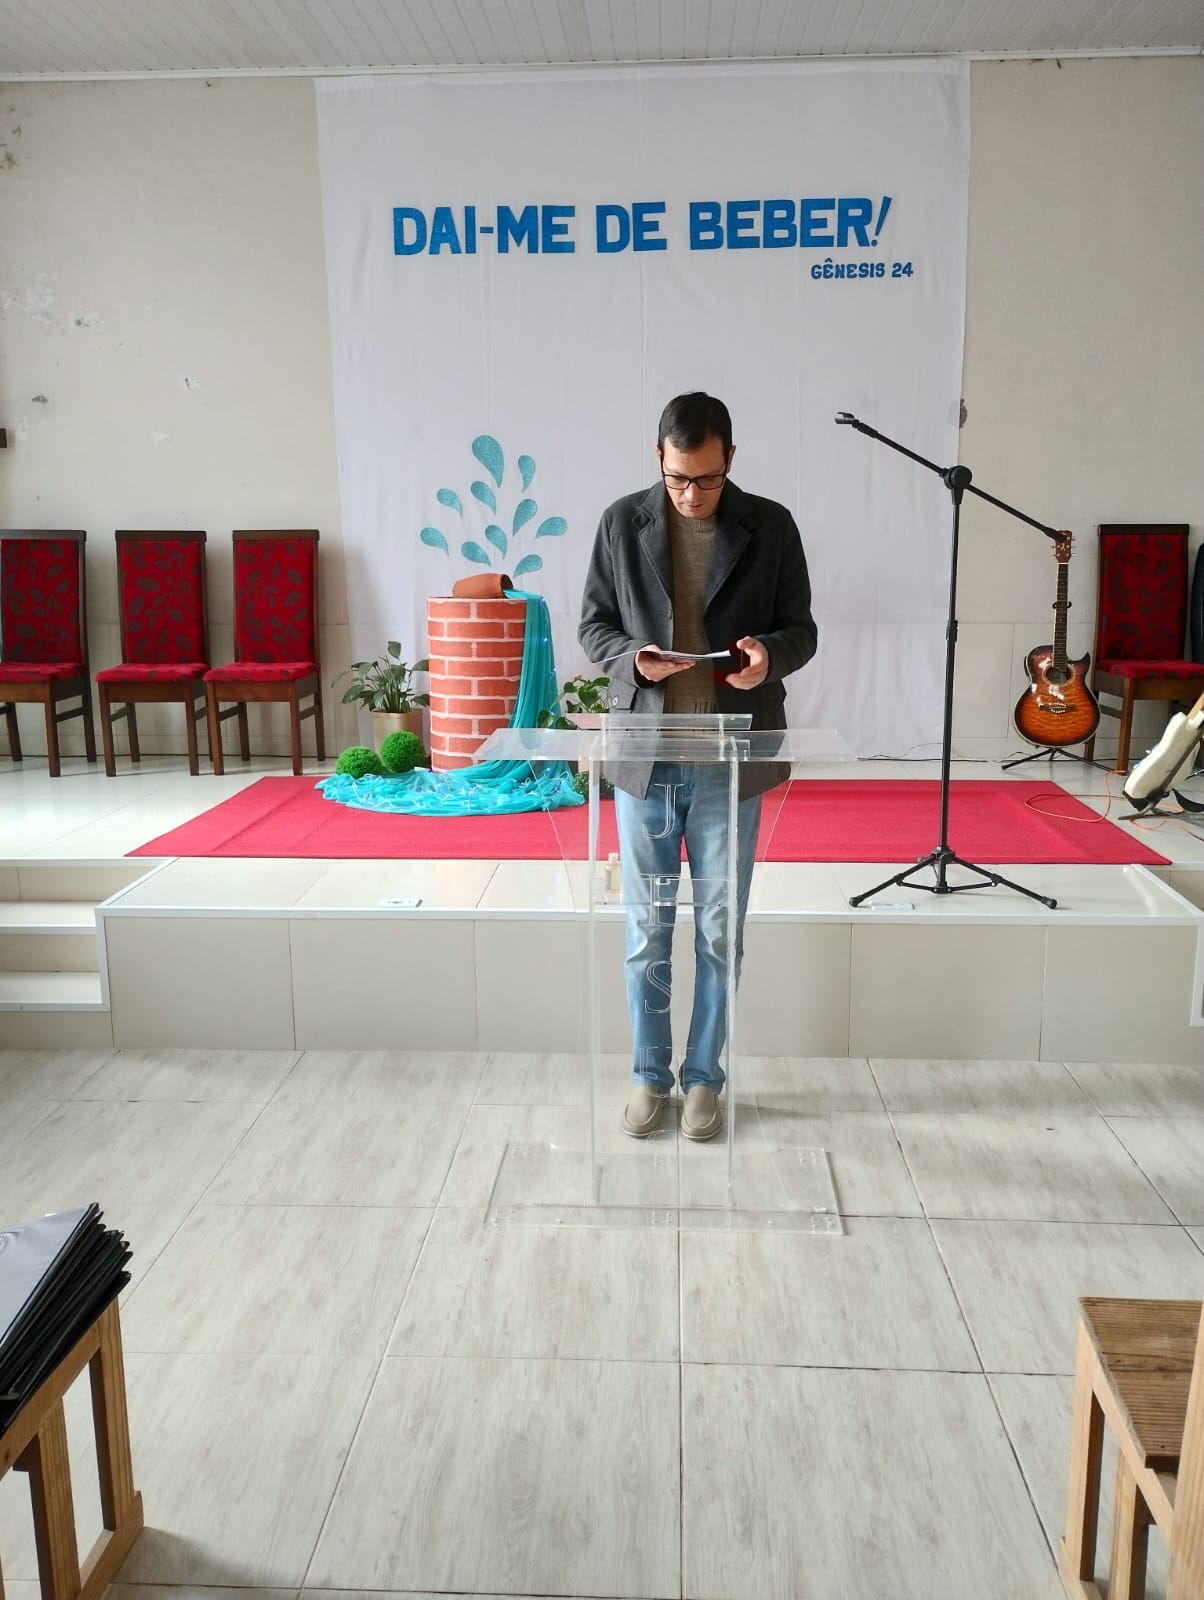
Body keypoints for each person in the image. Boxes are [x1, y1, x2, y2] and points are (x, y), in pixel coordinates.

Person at [579, 392, 818, 1141]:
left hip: (729, 760)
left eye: (707, 479)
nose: (691, 494)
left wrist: (766, 656)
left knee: (719, 933)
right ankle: (649, 1076)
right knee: (645, 931)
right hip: (645, 759)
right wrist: (633, 660)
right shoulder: (621, 523)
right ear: (659, 458)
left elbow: (801, 629)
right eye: (679, 478)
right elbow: (594, 625)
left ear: (731, 460)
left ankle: (706, 1076)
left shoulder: (770, 526)